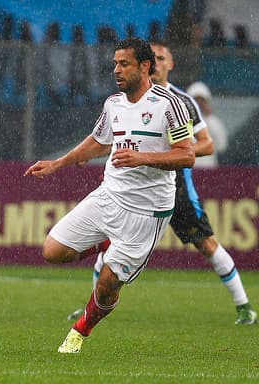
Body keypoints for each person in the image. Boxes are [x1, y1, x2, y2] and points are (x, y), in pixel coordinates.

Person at [24, 37, 196, 354]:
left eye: (124, 64)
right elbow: (98, 140)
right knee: (52, 250)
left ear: (145, 66)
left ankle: (80, 331)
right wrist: (59, 163)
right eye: (115, 64)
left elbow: (187, 155)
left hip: (147, 211)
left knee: (106, 285)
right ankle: (105, 242)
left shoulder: (169, 105)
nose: (116, 70)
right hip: (109, 196)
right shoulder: (113, 104)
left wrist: (142, 158)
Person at [72, 42, 256, 326]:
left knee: (206, 244)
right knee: (111, 245)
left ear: (169, 65)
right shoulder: (127, 99)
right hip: (132, 188)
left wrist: (164, 153)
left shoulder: (180, 101)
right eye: (153, 57)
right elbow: (116, 141)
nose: (156, 62)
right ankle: (92, 307)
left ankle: (244, 306)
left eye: (162, 57)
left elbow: (204, 145)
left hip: (175, 186)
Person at [186, 81, 228, 167]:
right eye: (195, 100)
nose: (198, 104)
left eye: (202, 101)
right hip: (188, 171)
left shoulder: (214, 122)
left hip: (209, 171)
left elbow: (222, 146)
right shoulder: (179, 121)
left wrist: (209, 117)